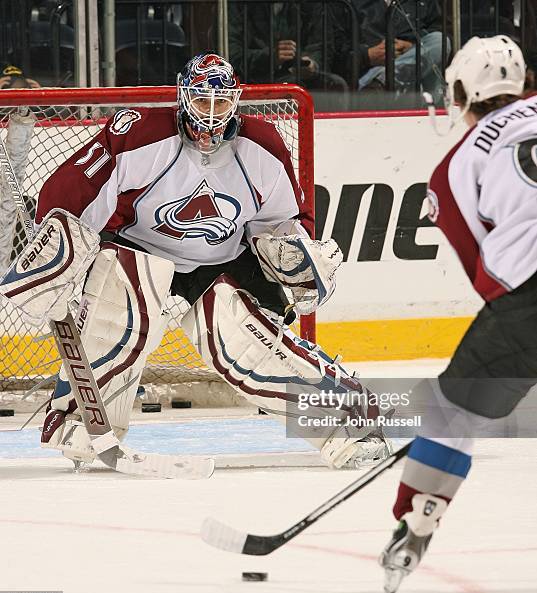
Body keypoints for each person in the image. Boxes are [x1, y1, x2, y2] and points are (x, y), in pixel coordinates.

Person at [34, 52, 390, 469]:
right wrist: (55, 250)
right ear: (184, 97)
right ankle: (82, 421)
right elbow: (72, 191)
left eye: (221, 103)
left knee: (243, 347)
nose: (211, 114)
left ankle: (349, 417)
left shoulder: (262, 145)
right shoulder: (139, 133)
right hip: (140, 251)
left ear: (235, 102)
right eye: (202, 101)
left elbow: (281, 221)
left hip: (219, 263)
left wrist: (294, 257)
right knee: (116, 318)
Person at [379, 35, 534, 593]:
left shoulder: (457, 165)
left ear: (465, 90)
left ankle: (417, 519)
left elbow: (483, 268)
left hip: (529, 304)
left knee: (449, 413)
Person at [228, 2, 348, 92]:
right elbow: (230, 55)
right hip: (252, 78)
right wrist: (269, 57)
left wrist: (312, 63)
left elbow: (320, 46)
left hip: (297, 76)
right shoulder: (237, 5)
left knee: (336, 84)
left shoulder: (311, 4)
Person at [353, 0, 447, 99]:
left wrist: (413, 48)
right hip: (370, 76)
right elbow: (339, 51)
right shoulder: (350, 3)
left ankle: (383, 82)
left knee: (440, 39)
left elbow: (444, 35)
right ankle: (381, 84)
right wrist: (366, 55)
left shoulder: (427, 2)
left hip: (414, 77)